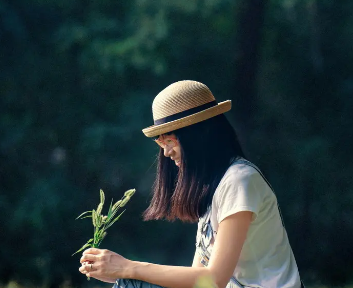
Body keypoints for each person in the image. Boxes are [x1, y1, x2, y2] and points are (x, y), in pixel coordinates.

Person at [79, 80, 303, 288]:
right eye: (160, 143)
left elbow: (214, 279)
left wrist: (129, 268)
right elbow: (199, 281)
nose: (165, 152)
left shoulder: (239, 181)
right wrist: (120, 274)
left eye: (169, 141)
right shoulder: (214, 187)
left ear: (198, 136)